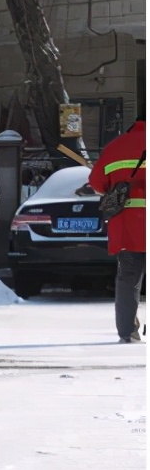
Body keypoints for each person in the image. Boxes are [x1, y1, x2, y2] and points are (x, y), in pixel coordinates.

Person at [89, 118, 146, 343]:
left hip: (127, 226)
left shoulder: (116, 146)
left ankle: (127, 332)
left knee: (128, 278)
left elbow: (96, 182)